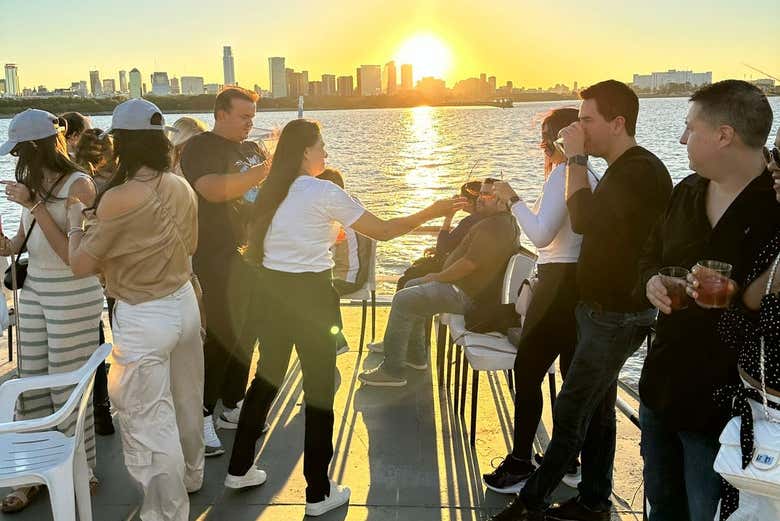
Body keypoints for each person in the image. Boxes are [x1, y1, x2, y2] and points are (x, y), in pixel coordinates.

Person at [224, 118, 466, 517]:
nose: (325, 152)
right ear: (305, 151)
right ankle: (318, 492)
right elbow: (384, 230)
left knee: (266, 379)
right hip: (311, 297)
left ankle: (239, 468)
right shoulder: (323, 191)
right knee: (319, 393)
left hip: (271, 294)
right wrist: (434, 210)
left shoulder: (270, 190)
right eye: (321, 146)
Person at [491, 80, 672, 521]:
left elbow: (584, 219)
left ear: (618, 122)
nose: (579, 128)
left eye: (586, 120)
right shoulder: (621, 169)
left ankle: (528, 504)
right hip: (604, 309)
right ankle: (593, 501)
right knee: (599, 414)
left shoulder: (638, 171)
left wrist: (574, 158)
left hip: (616, 314)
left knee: (571, 413)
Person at [640, 81, 777, 521]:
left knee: (709, 513)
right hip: (662, 385)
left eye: (690, 128)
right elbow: (649, 255)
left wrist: (736, 297)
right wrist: (651, 281)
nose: (682, 138)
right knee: (661, 506)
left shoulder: (774, 207)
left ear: (723, 135)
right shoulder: (686, 191)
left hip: (730, 408)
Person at [67, 98, 204, 521]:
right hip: (183, 303)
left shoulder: (119, 197)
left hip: (144, 313)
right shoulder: (180, 185)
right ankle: (193, 475)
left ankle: (165, 512)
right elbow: (191, 245)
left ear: (122, 142)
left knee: (147, 418)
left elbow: (81, 264)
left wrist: (75, 223)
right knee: (187, 401)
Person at [484, 107, 598, 494]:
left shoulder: (562, 175)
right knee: (568, 374)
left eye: (545, 141)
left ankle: (520, 463)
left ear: (557, 142)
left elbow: (541, 236)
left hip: (556, 285)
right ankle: (570, 459)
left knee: (528, 371)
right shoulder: (588, 175)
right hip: (577, 284)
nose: (543, 149)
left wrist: (511, 197)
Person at [0, 109, 103, 513]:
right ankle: (31, 473)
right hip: (35, 291)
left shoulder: (80, 184)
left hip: (72, 292)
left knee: (66, 382)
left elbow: (72, 258)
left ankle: (82, 466)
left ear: (35, 147)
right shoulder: (32, 183)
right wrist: (4, 241)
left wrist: (36, 204)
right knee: (31, 380)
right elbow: (19, 244)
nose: (15, 160)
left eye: (18, 151)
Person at [180, 87, 271, 455]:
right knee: (222, 334)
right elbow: (213, 190)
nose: (250, 124)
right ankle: (202, 412)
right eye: (244, 116)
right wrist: (265, 171)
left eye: (253, 117)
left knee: (248, 332)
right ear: (221, 114)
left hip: (252, 256)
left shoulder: (252, 150)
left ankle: (232, 402)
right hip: (214, 255)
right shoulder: (201, 147)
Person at [359, 179, 519, 387]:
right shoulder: (499, 223)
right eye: (480, 193)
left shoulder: (495, 227)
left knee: (403, 299)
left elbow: (469, 264)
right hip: (465, 289)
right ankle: (416, 357)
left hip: (467, 296)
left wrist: (436, 277)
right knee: (411, 286)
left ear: (501, 201)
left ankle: (392, 371)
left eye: (486, 195)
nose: (480, 198)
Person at [713, 129, 780, 521]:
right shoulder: (775, 237)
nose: (773, 167)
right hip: (752, 424)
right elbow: (733, 331)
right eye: (774, 154)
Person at [367, 179, 484, 354]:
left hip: (450, 273)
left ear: (469, 200)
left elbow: (444, 247)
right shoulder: (478, 221)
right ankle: (411, 344)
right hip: (455, 271)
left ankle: (401, 344)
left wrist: (448, 217)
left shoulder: (470, 221)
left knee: (406, 282)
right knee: (409, 278)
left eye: (461, 196)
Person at [72, 127, 117, 436]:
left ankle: (99, 408)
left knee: (95, 335)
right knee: (120, 327)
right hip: (117, 263)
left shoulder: (80, 183)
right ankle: (107, 409)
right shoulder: (120, 181)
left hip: (89, 261)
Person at [318, 168, 373, 353]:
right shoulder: (354, 203)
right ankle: (324, 340)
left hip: (347, 276)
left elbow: (320, 247)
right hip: (359, 273)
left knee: (308, 288)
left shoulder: (334, 212)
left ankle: (335, 341)